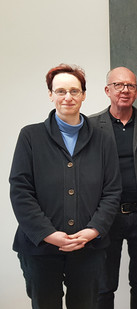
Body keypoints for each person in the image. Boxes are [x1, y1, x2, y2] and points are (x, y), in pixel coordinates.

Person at [9, 64, 122, 308]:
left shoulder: (103, 140)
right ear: (50, 94)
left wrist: (93, 230)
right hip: (40, 247)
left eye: (74, 90)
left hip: (88, 247)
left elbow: (112, 191)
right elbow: (20, 191)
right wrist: (49, 235)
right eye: (60, 91)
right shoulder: (30, 136)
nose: (67, 97)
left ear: (84, 94)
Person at [89, 67, 137, 309]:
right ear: (107, 90)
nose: (125, 90)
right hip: (105, 217)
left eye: (130, 86)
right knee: (103, 284)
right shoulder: (90, 126)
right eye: (119, 85)